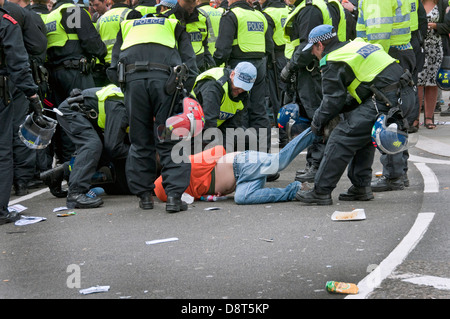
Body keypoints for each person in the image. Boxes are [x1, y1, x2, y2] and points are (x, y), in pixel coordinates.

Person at [295, 25, 416, 206]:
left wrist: (317, 124)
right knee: (361, 131)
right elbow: (361, 89)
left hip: (387, 100)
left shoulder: (333, 59)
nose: (313, 53)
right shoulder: (356, 45)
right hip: (405, 95)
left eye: (312, 49)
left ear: (319, 45)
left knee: (341, 136)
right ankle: (361, 187)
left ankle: (321, 192)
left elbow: (331, 101)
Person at [107, 14, 198, 212]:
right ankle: (174, 197)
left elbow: (113, 69)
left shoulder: (127, 26)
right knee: (170, 138)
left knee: (140, 140)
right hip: (165, 85)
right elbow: (190, 65)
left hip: (133, 84)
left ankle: (144, 196)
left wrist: (129, 90)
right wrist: (181, 94)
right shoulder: (173, 24)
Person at [154, 128, 317, 204]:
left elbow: (219, 150)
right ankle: (296, 189)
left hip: (242, 164)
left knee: (279, 163)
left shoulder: (188, 163)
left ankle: (315, 130)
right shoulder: (167, 185)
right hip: (242, 181)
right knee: (241, 198)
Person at [281, 0, 347, 183]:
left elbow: (308, 46)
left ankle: (317, 165)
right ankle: (316, 164)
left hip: (310, 69)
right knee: (318, 117)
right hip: (316, 68)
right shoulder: (320, 5)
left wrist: (290, 67)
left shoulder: (310, 10)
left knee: (318, 118)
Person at [357, 0, 417, 192]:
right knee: (397, 114)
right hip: (400, 51)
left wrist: (370, 63)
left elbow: (378, 36)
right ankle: (400, 171)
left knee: (388, 114)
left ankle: (393, 174)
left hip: (387, 54)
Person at [45, 0, 107, 166]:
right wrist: (103, 54)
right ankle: (87, 165)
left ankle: (68, 165)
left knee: (65, 119)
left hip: (55, 73)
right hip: (75, 73)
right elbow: (90, 41)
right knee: (84, 117)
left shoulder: (51, 16)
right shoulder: (71, 11)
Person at [0, 2, 45, 224]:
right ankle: (2, 208)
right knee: (2, 149)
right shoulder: (6, 22)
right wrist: (32, 94)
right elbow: (18, 62)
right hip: (4, 91)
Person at [55, 85, 130, 208]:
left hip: (86, 112)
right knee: (92, 145)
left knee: (101, 151)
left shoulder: (130, 102)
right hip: (71, 110)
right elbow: (114, 148)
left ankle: (63, 171)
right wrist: (143, 153)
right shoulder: (121, 108)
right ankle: (75, 194)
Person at [213, 0, 274, 152]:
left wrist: (215, 65)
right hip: (259, 65)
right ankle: (263, 155)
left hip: (239, 64)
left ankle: (243, 155)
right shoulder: (260, 16)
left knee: (241, 110)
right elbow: (270, 45)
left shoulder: (231, 15)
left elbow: (223, 48)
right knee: (259, 110)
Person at [191, 62, 257, 151]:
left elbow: (234, 125)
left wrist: (225, 149)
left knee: (249, 138)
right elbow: (208, 123)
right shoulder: (214, 86)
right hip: (195, 127)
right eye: (238, 86)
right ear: (232, 74)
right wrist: (214, 152)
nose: (240, 90)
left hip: (217, 127)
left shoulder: (244, 93)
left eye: (244, 88)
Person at [416, 0, 450, 127]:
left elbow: (448, 25)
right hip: (419, 47)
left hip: (436, 47)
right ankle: (415, 119)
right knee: (418, 83)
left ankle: (429, 118)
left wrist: (435, 26)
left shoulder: (442, 3)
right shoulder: (416, 2)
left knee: (432, 83)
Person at [94, 0, 141, 86]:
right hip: (126, 67)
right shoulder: (132, 14)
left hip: (105, 68)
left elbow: (96, 43)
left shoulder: (101, 18)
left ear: (111, 1)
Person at [160, 0, 214, 72]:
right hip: (176, 72)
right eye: (188, 2)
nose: (192, 5)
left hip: (199, 70)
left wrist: (211, 65)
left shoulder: (202, 19)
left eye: (194, 1)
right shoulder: (167, 19)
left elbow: (204, 46)